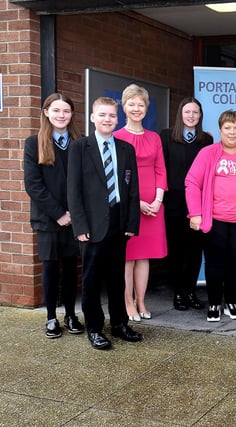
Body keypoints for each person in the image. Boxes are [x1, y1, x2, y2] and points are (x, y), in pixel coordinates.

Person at [67, 96, 142, 350]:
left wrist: (132, 222)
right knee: (91, 280)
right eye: (102, 115)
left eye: (111, 115)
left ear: (117, 119)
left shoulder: (125, 149)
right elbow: (73, 190)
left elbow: (133, 190)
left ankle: (120, 324)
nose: (107, 120)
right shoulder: (80, 147)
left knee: (116, 279)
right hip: (91, 226)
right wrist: (79, 226)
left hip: (118, 224)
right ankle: (95, 329)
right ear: (92, 117)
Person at [185, 110, 236, 322]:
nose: (232, 132)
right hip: (214, 220)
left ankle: (232, 302)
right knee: (214, 263)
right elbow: (192, 183)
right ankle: (214, 303)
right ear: (220, 130)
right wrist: (195, 214)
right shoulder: (208, 153)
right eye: (227, 128)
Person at [24, 93, 84, 339]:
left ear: (71, 115)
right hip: (49, 219)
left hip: (76, 218)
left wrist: (75, 214)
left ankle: (71, 314)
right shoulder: (33, 142)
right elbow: (33, 184)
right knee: (50, 268)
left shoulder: (80, 143)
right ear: (46, 112)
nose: (61, 115)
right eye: (56, 110)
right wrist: (59, 213)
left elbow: (85, 182)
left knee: (71, 267)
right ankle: (51, 317)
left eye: (66, 111)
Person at [114, 84, 168, 322]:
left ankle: (141, 300)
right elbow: (114, 176)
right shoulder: (116, 137)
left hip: (153, 204)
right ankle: (127, 303)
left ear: (147, 108)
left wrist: (157, 200)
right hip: (128, 204)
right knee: (128, 256)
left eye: (141, 104)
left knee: (144, 256)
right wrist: (135, 204)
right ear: (124, 107)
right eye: (131, 104)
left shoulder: (154, 137)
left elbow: (161, 169)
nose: (136, 108)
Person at [160, 97, 213, 311]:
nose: (191, 116)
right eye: (188, 112)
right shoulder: (165, 137)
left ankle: (190, 291)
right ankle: (178, 293)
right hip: (173, 203)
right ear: (180, 114)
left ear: (200, 116)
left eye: (196, 112)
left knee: (194, 249)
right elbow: (161, 169)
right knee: (176, 250)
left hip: (198, 206)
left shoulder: (206, 141)